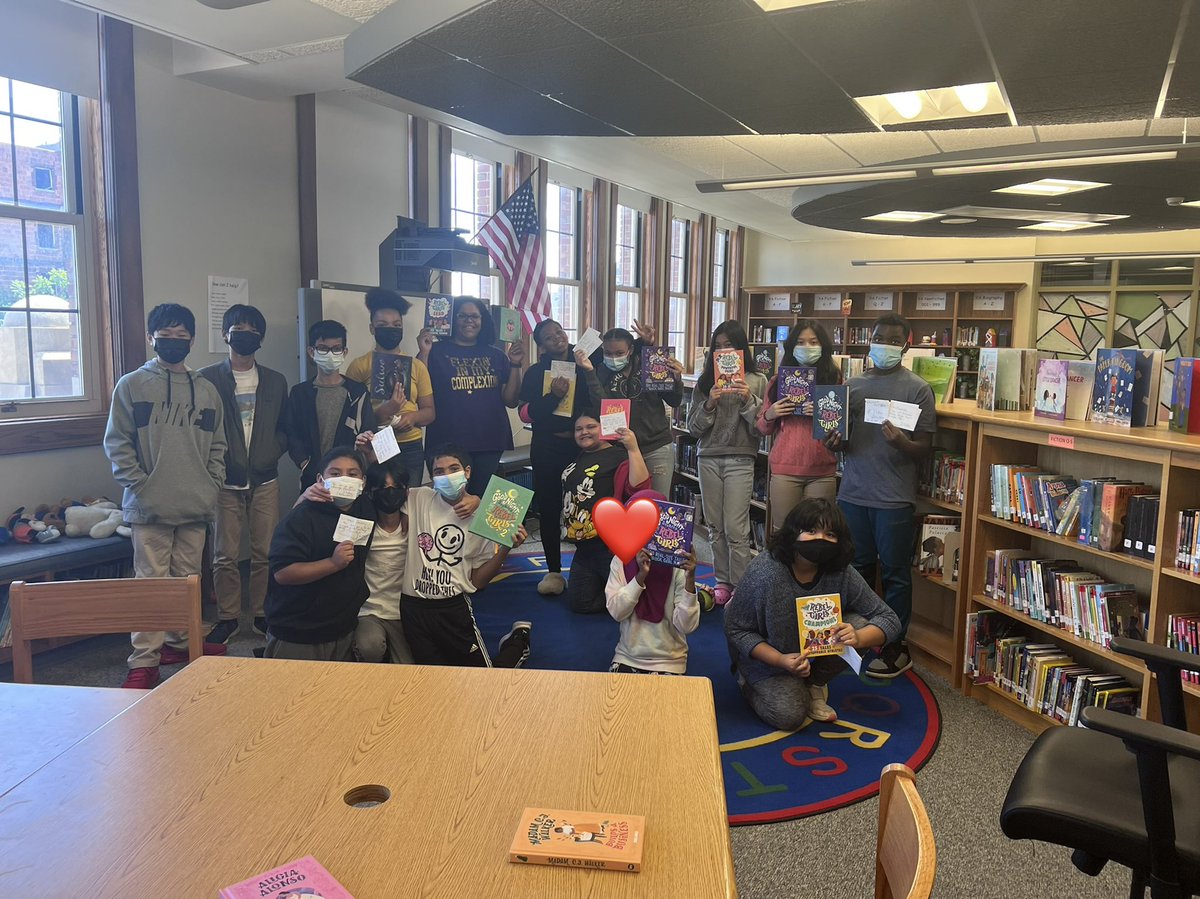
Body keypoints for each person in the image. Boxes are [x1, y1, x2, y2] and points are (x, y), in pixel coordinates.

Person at [103, 303, 228, 689]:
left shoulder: (206, 390)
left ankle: (180, 642)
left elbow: (218, 447)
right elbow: (117, 443)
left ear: (192, 339)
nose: (174, 342)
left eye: (181, 336)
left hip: (195, 505)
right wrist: (140, 485)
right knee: (150, 584)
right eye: (166, 335)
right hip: (149, 508)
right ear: (151, 337)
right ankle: (144, 660)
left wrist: (211, 484)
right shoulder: (132, 385)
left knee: (187, 581)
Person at [724, 498, 900, 728]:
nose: (820, 539)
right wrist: (779, 659)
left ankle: (814, 683)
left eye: (830, 534)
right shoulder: (766, 573)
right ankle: (747, 682)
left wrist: (858, 638)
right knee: (789, 715)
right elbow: (736, 628)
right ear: (792, 533)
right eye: (811, 531)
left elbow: (890, 620)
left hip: (810, 653)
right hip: (765, 657)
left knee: (860, 624)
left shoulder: (840, 571)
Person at [828, 312, 936, 679]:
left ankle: (895, 644)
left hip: (894, 499)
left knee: (895, 574)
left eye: (892, 340)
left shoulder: (918, 389)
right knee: (853, 571)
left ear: (906, 345)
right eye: (878, 338)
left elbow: (925, 448)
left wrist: (903, 443)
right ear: (868, 341)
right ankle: (851, 640)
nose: (884, 346)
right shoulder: (853, 387)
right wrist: (834, 440)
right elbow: (842, 442)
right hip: (853, 494)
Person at [198, 303, 290, 644]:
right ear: (225, 334)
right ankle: (228, 617)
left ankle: (263, 613)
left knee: (265, 551)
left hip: (265, 477)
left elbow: (285, 428)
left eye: (252, 330)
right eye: (238, 329)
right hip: (224, 480)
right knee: (224, 554)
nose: (244, 335)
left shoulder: (276, 381)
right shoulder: (206, 379)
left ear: (261, 338)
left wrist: (272, 451)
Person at [400, 443, 532, 667]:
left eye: (453, 468)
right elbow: (386, 483)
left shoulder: (487, 519)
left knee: (482, 681)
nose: (446, 476)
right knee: (431, 682)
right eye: (439, 471)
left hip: (453, 609)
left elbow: (479, 581)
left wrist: (506, 546)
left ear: (467, 471)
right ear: (431, 477)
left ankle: (518, 643)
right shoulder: (419, 498)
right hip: (414, 609)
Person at [262, 447, 374, 661]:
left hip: (343, 628)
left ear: (363, 481)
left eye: (352, 474)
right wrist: (332, 563)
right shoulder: (302, 517)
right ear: (320, 479)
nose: (344, 479)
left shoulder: (365, 508)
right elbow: (283, 573)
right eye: (335, 473)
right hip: (298, 632)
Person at [687, 321, 766, 605]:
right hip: (708, 456)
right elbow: (693, 428)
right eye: (718, 346)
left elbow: (761, 428)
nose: (723, 351)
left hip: (740, 458)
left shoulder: (757, 380)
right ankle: (722, 581)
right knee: (715, 526)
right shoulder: (705, 381)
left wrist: (748, 399)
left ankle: (741, 586)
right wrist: (708, 404)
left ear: (741, 348)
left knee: (736, 527)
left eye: (729, 345)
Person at [419, 296, 524, 496]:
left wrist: (516, 364)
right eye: (462, 316)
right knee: (449, 499)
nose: (469, 320)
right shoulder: (434, 352)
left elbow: (510, 400)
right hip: (446, 441)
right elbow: (419, 387)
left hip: (489, 439)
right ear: (452, 320)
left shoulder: (497, 355)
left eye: (475, 316)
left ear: (483, 321)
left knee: (481, 499)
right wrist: (423, 352)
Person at [518, 319, 590, 596]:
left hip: (580, 447)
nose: (557, 338)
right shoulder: (536, 373)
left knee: (585, 505)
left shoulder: (585, 362)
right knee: (549, 509)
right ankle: (553, 571)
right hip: (546, 447)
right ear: (541, 346)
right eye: (548, 337)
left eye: (559, 332)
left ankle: (587, 567)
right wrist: (552, 397)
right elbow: (525, 413)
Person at [560, 404, 651, 614]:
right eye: (578, 429)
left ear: (604, 428)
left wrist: (633, 449)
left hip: (608, 547)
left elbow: (639, 487)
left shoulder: (618, 456)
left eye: (590, 426)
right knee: (580, 604)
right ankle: (608, 588)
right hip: (584, 548)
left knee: (633, 606)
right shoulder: (581, 456)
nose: (584, 432)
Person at [344, 288, 435, 488]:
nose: (390, 329)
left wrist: (413, 417)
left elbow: (429, 412)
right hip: (375, 445)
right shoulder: (360, 366)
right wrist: (384, 412)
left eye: (396, 325)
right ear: (372, 328)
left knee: (409, 500)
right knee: (377, 497)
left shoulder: (417, 366)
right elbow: (350, 418)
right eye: (382, 325)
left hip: (411, 445)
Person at [757, 320, 842, 532]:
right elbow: (762, 428)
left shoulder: (835, 380)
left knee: (819, 533)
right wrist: (771, 413)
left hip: (822, 470)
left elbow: (840, 430)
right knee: (784, 532)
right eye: (801, 342)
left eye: (813, 342)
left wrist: (823, 414)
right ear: (792, 346)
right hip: (785, 469)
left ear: (823, 346)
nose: (807, 348)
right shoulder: (778, 381)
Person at [605, 489, 700, 674]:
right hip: (627, 656)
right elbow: (617, 612)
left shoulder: (677, 564)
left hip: (670, 660)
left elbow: (687, 626)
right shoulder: (620, 559)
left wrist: (690, 580)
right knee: (614, 702)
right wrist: (639, 577)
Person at [580, 327, 683, 497]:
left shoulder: (650, 364)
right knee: (623, 504)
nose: (613, 358)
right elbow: (602, 408)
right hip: (619, 450)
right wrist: (590, 373)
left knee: (656, 504)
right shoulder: (601, 371)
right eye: (608, 353)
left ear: (631, 350)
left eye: (619, 352)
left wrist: (677, 379)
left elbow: (674, 401)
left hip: (655, 447)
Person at [285, 319, 377, 489]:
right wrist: (304, 463)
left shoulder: (358, 391)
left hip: (349, 476)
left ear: (344, 351)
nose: (330, 354)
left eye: (336, 349)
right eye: (323, 349)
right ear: (312, 352)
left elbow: (369, 429)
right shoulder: (300, 393)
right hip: (312, 476)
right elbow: (291, 433)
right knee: (313, 515)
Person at [354, 458, 413, 664]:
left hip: (404, 611)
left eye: (396, 488)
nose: (390, 493)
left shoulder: (415, 523)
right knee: (370, 648)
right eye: (382, 488)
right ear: (370, 492)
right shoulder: (362, 527)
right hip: (369, 611)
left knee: (409, 668)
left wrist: (475, 500)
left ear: (406, 492)